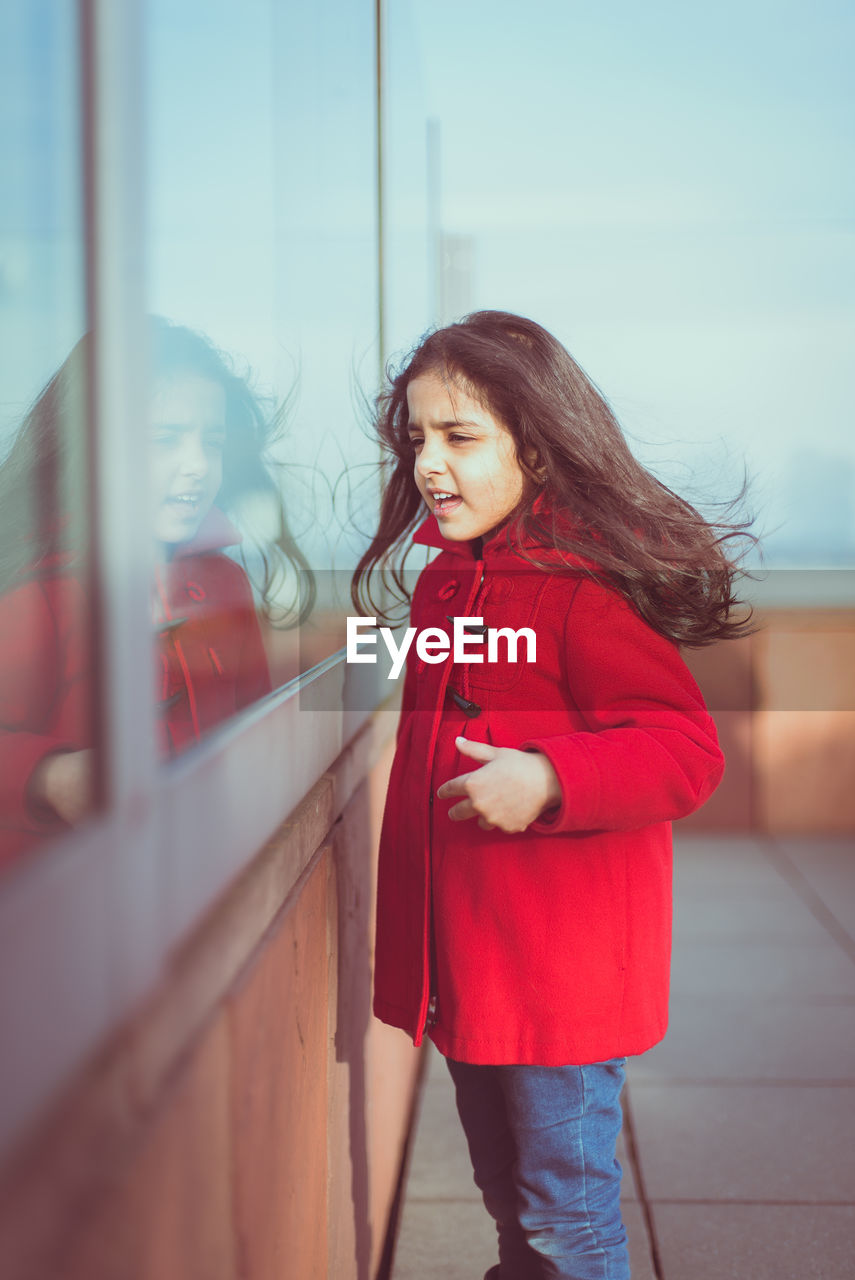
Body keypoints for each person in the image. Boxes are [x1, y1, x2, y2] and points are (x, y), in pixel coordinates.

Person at [351, 311, 753, 1280]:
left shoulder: (584, 588)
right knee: (511, 1203)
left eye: (459, 436)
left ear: (535, 445)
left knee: (564, 1219)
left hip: (558, 981)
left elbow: (685, 750)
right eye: (417, 439)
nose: (429, 465)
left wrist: (550, 776)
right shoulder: (448, 584)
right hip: (471, 968)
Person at [0, 317, 312, 869]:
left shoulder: (225, 582)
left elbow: (255, 729)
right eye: (164, 439)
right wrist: (50, 776)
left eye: (210, 443)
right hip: (64, 913)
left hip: (198, 887)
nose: (195, 466)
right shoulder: (38, 593)